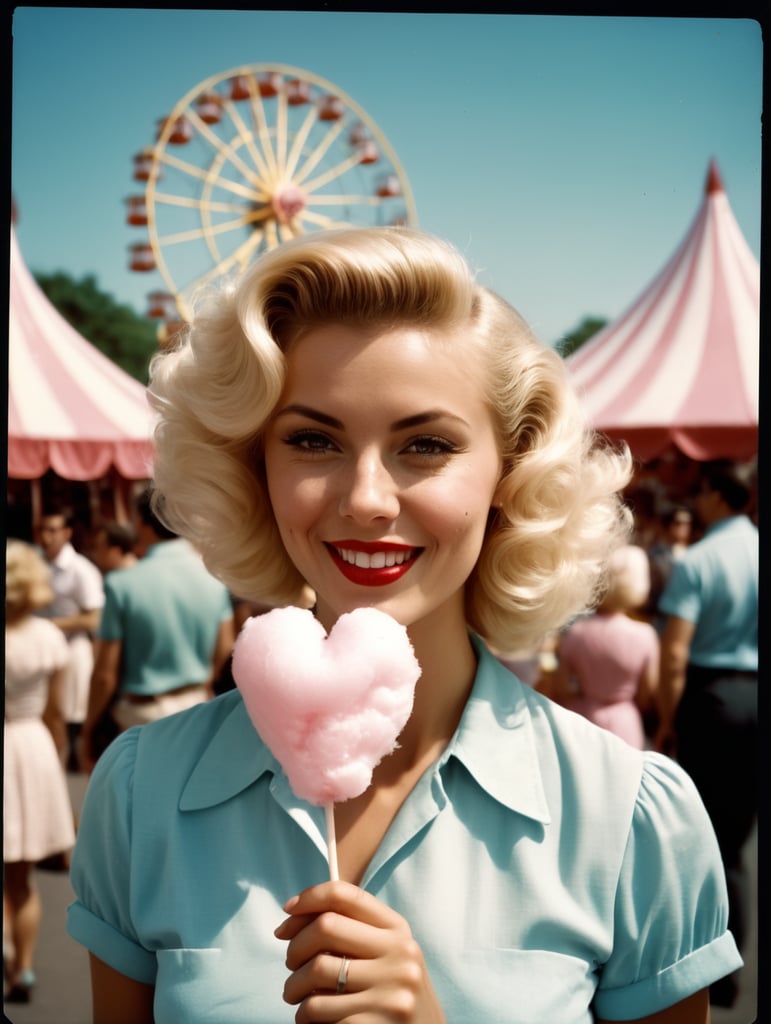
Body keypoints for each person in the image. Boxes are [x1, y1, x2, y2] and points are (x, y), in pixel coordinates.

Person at [67, 227, 741, 1024]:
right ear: (255, 468)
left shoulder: (629, 818)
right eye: (312, 440)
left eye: (425, 445)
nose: (366, 499)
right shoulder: (143, 791)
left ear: (510, 473)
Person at [656, 459, 758, 1009]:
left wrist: (668, 719)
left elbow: (674, 652)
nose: (695, 504)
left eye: (700, 494)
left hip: (712, 699)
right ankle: (733, 970)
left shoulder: (699, 559)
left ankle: (708, 969)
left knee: (703, 838)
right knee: (737, 842)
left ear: (719, 497)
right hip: (754, 695)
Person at [79, 487, 236, 771]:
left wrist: (89, 728)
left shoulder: (122, 584)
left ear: (141, 522)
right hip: (198, 709)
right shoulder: (213, 579)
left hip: (139, 717)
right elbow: (224, 651)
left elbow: (104, 675)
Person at [4, 540, 77, 1004]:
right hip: (31, 746)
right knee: (21, 876)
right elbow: (55, 712)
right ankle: (23, 968)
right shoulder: (49, 637)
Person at [548, 545, 659, 749]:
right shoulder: (646, 635)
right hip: (625, 723)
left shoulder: (577, 632)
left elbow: (561, 688)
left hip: (583, 720)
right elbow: (646, 695)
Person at [35, 506, 105, 771]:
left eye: (52, 530)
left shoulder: (81, 569)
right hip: (43, 650)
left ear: (66, 533)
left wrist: (49, 625)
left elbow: (94, 618)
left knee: (71, 717)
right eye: (42, 530)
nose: (46, 536)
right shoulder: (37, 564)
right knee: (49, 715)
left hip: (72, 649)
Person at [645, 505, 692, 632]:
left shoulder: (693, 555)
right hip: (659, 618)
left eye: (687, 523)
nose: (683, 528)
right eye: (678, 523)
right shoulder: (654, 555)